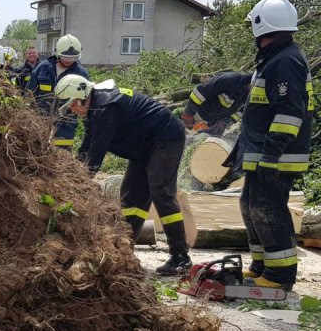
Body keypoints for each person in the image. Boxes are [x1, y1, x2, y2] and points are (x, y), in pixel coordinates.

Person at [55, 74, 192, 275]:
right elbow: (87, 146)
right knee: (131, 197)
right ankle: (125, 251)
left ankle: (180, 255)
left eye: (73, 105)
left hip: (165, 138)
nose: (73, 110)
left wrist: (79, 184)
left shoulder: (105, 108)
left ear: (81, 95)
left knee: (160, 190)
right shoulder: (96, 109)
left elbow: (95, 155)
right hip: (143, 148)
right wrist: (72, 173)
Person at [234, 0, 313, 291]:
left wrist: (270, 153)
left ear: (260, 25)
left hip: (277, 155)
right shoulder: (273, 60)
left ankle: (279, 277)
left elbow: (289, 112)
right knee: (250, 205)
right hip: (264, 154)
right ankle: (262, 266)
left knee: (268, 209)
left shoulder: (286, 61)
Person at [29, 34, 90, 148]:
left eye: (73, 58)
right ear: (57, 53)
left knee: (62, 160)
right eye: (65, 57)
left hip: (65, 126)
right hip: (41, 123)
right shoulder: (42, 69)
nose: (69, 61)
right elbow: (29, 94)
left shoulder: (81, 74)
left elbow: (87, 101)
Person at [182, 71, 251, 134]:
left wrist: (225, 122)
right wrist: (189, 113)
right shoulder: (229, 80)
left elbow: (240, 113)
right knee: (181, 131)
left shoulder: (251, 97)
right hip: (196, 112)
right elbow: (200, 92)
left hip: (212, 123)